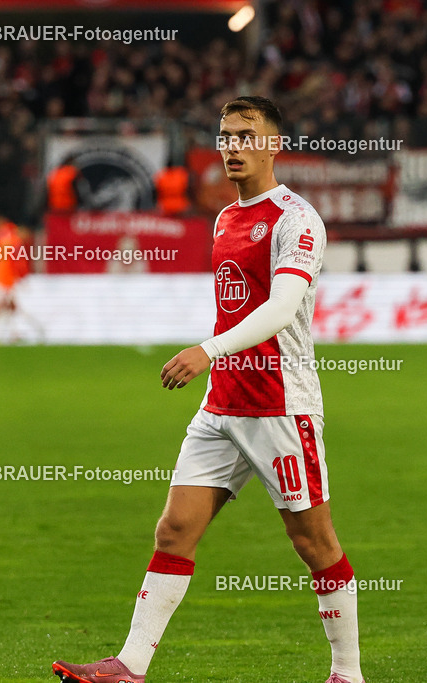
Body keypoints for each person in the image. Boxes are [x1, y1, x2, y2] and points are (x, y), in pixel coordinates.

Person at [52, 96, 365, 683]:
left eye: (247, 135)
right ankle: (130, 665)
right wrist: (216, 362)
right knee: (173, 529)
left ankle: (347, 673)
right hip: (222, 405)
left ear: (274, 144)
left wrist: (208, 349)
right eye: (225, 136)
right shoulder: (225, 218)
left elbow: (281, 308)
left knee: (313, 540)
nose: (233, 147)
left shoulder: (296, 219)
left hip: (280, 405)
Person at [0, 216, 44, 343]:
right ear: (23, 230)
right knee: (1, 308)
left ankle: (11, 334)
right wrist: (22, 278)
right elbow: (17, 263)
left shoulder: (5, 236)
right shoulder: (13, 240)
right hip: (5, 280)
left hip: (1, 278)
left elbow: (2, 259)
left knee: (9, 308)